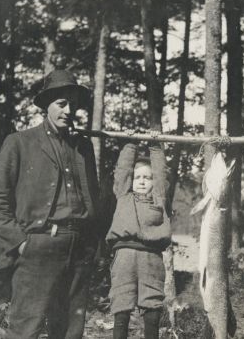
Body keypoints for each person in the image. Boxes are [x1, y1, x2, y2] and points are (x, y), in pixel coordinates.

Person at [0, 69, 101, 339]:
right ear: (46, 105)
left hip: (79, 248)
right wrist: (21, 242)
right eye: (62, 103)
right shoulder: (20, 143)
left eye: (73, 104)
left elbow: (93, 197)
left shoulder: (83, 147)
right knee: (26, 330)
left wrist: (93, 243)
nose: (69, 110)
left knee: (70, 331)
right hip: (39, 246)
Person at [106, 140, 172, 339]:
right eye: (138, 177)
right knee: (121, 305)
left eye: (147, 178)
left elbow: (161, 174)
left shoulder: (158, 199)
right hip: (124, 257)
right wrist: (130, 145)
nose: (142, 181)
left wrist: (155, 148)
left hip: (151, 259)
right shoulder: (123, 196)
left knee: (152, 305)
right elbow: (122, 172)